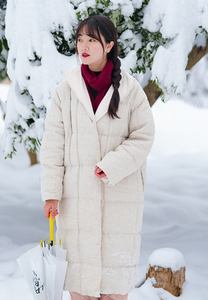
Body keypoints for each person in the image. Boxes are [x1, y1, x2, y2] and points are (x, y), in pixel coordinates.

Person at [40, 15, 155, 300]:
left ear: (110, 45)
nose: (84, 46)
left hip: (120, 195)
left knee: (114, 288)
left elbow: (144, 136)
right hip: (76, 199)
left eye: (92, 39)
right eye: (80, 39)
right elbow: (53, 145)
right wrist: (51, 193)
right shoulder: (64, 91)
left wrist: (113, 165)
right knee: (81, 285)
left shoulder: (130, 90)